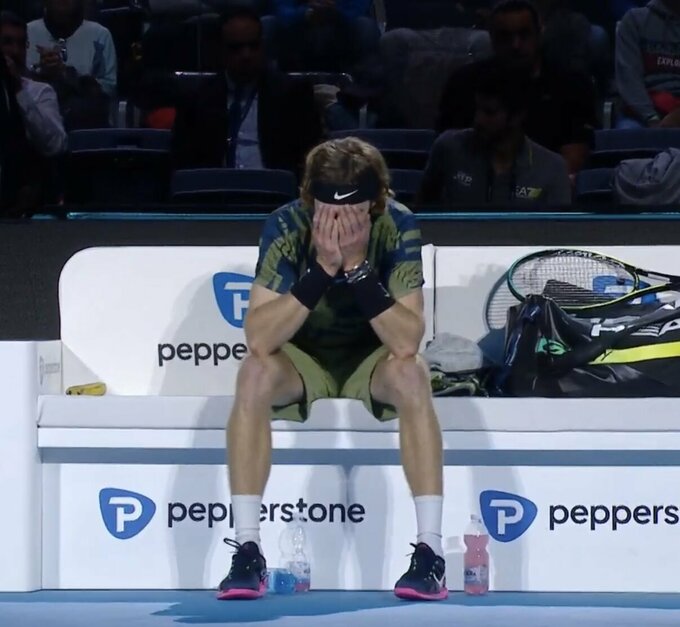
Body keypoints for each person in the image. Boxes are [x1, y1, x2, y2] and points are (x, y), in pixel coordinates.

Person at [218, 137, 447, 602]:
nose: (339, 222)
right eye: (328, 210)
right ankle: (247, 549)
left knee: (413, 372)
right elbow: (259, 337)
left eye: (352, 211)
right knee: (254, 372)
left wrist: (358, 267)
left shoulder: (398, 225)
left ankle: (430, 552)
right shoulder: (286, 225)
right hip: (303, 360)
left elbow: (406, 339)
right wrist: (323, 268)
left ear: (375, 202)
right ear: (310, 199)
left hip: (371, 359)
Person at [438, 0, 597, 175]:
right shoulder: (463, 84)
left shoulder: (572, 86)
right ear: (492, 38)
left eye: (524, 34)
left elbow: (572, 162)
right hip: (477, 185)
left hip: (547, 188)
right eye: (505, 36)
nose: (516, 45)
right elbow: (449, 156)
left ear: (539, 34)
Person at [172, 6, 322, 175]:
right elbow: (183, 165)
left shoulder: (293, 95)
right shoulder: (196, 99)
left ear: (263, 46)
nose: (246, 55)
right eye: (236, 48)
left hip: (274, 189)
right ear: (220, 50)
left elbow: (311, 163)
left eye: (253, 46)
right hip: (215, 189)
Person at [421, 60, 572, 206]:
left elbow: (558, 224)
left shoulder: (552, 169)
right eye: (478, 108)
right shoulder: (448, 148)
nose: (478, 120)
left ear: (517, 116)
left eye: (489, 112)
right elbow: (420, 212)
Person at [26, 0, 117, 129]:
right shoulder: (26, 33)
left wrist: (66, 74)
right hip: (34, 125)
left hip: (87, 126)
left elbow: (107, 89)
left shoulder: (100, 35)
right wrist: (42, 74)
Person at [0, 11, 67, 157]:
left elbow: (55, 144)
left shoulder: (40, 92)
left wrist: (18, 90)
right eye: (7, 42)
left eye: (21, 44)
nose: (15, 51)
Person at [616, 0, 680, 128]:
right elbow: (630, 79)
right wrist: (651, 118)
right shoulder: (634, 20)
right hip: (644, 113)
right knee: (627, 129)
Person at [273, 0, 379, 73]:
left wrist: (333, 12)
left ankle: (365, 90)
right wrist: (306, 13)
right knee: (269, 23)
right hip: (299, 30)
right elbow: (282, 12)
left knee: (366, 26)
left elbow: (357, 11)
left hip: (343, 30)